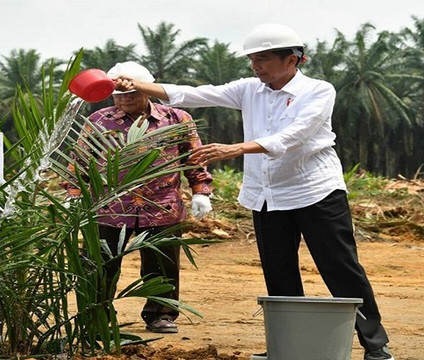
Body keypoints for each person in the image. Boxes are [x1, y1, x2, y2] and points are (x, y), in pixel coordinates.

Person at [112, 23, 394, 360]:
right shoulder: (249, 89)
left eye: (262, 59)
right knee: (279, 271)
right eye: (251, 60)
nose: (255, 67)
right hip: (266, 195)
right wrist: (136, 84)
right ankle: (288, 348)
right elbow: (194, 93)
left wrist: (235, 149)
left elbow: (294, 137)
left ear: (293, 60)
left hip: (316, 193)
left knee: (339, 267)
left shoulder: (318, 91)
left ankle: (376, 346)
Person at [64, 61, 214, 334]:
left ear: (148, 90)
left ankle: (161, 314)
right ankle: (96, 317)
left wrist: (201, 191)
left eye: (130, 94)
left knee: (162, 264)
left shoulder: (176, 119)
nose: (124, 100)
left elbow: (194, 157)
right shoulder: (100, 121)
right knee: (99, 264)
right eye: (118, 95)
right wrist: (74, 192)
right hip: (108, 206)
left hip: (162, 205)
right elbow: (81, 159)